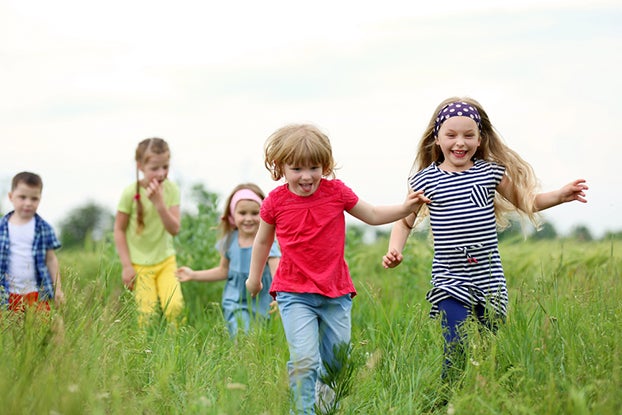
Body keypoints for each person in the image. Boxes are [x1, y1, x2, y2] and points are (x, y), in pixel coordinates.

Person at [382, 97, 588, 378]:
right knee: (455, 343)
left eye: (469, 135)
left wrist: (560, 196)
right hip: (449, 278)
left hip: (489, 278)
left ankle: (484, 389)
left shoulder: (490, 173)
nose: (460, 142)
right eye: (451, 135)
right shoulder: (425, 180)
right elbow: (404, 222)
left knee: (489, 345)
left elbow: (526, 201)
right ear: (437, 138)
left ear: (480, 139)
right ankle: (447, 397)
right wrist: (395, 250)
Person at [246, 123, 423, 414]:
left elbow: (374, 214)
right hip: (293, 292)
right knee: (305, 359)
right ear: (281, 167)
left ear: (325, 165)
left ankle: (326, 408)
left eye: (314, 167)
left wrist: (405, 209)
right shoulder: (276, 202)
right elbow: (262, 241)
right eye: (297, 168)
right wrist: (255, 279)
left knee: (337, 361)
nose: (306, 176)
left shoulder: (336, 193)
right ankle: (302, 410)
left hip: (335, 292)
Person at [176, 183, 281, 338]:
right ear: (233, 215)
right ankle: (240, 355)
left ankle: (248, 359)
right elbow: (223, 270)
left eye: (254, 213)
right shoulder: (229, 240)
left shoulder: (267, 241)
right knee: (241, 332)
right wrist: (193, 275)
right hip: (235, 300)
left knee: (261, 338)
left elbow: (276, 272)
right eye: (242, 213)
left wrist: (280, 297)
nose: (248, 218)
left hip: (262, 301)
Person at [113, 137, 184, 325]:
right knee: (146, 314)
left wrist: (159, 204)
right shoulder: (130, 193)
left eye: (165, 167)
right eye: (155, 168)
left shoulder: (171, 190)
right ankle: (144, 351)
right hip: (140, 264)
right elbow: (119, 230)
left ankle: (175, 346)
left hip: (166, 261)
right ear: (140, 166)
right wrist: (127, 266)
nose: (161, 173)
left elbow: (175, 229)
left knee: (174, 307)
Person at [0, 172, 63, 312]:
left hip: (37, 293)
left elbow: (51, 259)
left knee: (38, 330)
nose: (28, 203)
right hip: (7, 294)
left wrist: (57, 288)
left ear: (40, 199)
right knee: (8, 331)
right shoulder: (2, 227)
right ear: (11, 197)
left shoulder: (44, 228)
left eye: (34, 199)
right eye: (22, 197)